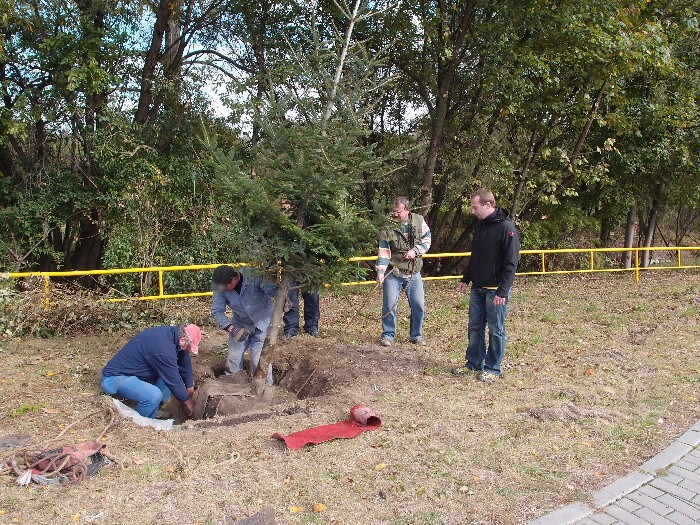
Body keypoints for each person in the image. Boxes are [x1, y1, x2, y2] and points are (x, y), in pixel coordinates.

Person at [453, 188, 520, 382]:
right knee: (475, 327)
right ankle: (473, 363)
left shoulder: (507, 228)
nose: (473, 212)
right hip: (478, 289)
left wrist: (503, 290)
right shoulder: (480, 226)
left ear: (488, 205)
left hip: (496, 291)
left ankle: (493, 368)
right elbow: (476, 256)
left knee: (496, 329)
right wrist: (466, 278)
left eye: (475, 208)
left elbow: (511, 262)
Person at [100, 324, 202, 419]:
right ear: (183, 339)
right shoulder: (164, 350)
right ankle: (143, 422)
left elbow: (184, 361)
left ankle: (154, 408)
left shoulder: (173, 336)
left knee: (172, 374)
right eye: (188, 346)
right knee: (154, 394)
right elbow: (173, 380)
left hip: (136, 374)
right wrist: (188, 402)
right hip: (114, 378)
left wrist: (190, 387)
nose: (188, 349)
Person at [375, 196, 432, 346]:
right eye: (393, 211)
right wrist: (381, 272)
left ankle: (416, 336)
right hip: (393, 272)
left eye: (398, 212)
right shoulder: (387, 227)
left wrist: (416, 251)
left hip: (413, 272)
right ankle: (388, 335)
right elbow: (383, 251)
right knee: (389, 305)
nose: (395, 214)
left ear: (407, 210)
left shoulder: (419, 221)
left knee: (418, 304)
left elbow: (427, 240)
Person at [211, 265, 278, 375]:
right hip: (239, 323)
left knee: (259, 360)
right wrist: (232, 329)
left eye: (224, 286)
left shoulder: (253, 275)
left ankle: (264, 388)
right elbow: (217, 311)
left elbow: (274, 291)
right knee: (233, 358)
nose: (222, 289)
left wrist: (284, 299)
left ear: (233, 279)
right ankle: (233, 386)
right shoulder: (220, 288)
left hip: (262, 322)